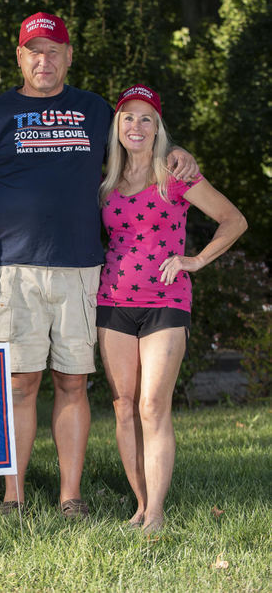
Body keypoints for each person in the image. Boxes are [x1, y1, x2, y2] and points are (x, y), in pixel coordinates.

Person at [0, 13, 198, 518]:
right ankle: (13, 496)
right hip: (12, 271)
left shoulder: (94, 110)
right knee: (19, 384)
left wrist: (181, 156)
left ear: (69, 56)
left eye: (54, 50)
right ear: (19, 57)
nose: (44, 60)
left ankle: (70, 496)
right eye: (33, 51)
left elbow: (139, 142)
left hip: (85, 270)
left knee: (72, 381)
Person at [96, 84, 247, 533]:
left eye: (146, 118)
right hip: (113, 301)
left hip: (165, 301)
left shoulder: (175, 174)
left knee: (152, 405)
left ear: (158, 127)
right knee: (124, 406)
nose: (136, 126)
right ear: (117, 126)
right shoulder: (104, 181)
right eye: (128, 117)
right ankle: (140, 506)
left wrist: (195, 260)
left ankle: (157, 514)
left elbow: (233, 219)